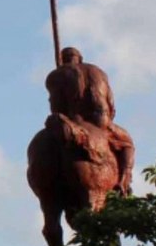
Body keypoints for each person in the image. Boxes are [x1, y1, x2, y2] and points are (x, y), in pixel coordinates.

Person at [45, 47, 135, 194]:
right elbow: (110, 102)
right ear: (80, 59)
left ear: (62, 59)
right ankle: (124, 180)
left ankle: (123, 181)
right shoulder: (98, 72)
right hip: (100, 121)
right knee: (127, 143)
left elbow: (56, 107)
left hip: (73, 119)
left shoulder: (55, 75)